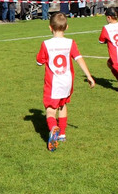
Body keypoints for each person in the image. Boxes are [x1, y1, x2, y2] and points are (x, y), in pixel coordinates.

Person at [37, 12, 96, 151]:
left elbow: (39, 61)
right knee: (63, 105)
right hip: (67, 82)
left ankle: (53, 129)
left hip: (53, 83)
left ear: (50, 27)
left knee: (51, 110)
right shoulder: (70, 43)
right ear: (67, 27)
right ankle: (62, 133)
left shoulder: (46, 44)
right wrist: (89, 76)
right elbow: (79, 58)